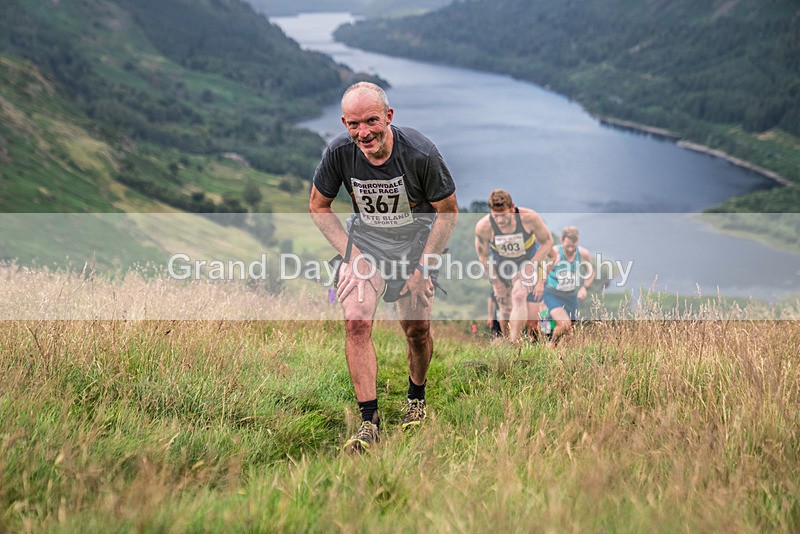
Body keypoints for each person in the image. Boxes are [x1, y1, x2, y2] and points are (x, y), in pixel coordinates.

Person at [308, 82, 458, 453]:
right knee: (356, 321)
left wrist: (424, 267)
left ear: (388, 117)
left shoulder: (421, 153)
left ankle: (415, 399)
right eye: (354, 124)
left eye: (372, 121)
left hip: (416, 246)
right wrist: (351, 255)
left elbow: (448, 212)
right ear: (344, 122)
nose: (364, 132)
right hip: (368, 247)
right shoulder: (340, 152)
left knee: (417, 332)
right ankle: (369, 422)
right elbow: (318, 206)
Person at [474, 189, 553, 343]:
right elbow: (483, 256)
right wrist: (496, 283)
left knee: (518, 295)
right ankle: (510, 345)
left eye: (504, 215)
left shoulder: (529, 218)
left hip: (527, 261)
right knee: (504, 306)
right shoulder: (483, 227)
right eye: (496, 216)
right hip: (502, 265)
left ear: (512, 208)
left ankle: (514, 342)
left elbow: (547, 242)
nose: (500, 221)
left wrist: (531, 265)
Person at [543, 225, 595, 348]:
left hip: (570, 296)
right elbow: (543, 272)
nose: (570, 249)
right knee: (564, 324)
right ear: (562, 241)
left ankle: (556, 354)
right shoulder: (555, 252)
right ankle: (550, 346)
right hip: (552, 294)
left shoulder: (583, 254)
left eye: (573, 246)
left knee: (569, 335)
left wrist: (584, 288)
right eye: (567, 246)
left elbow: (591, 272)